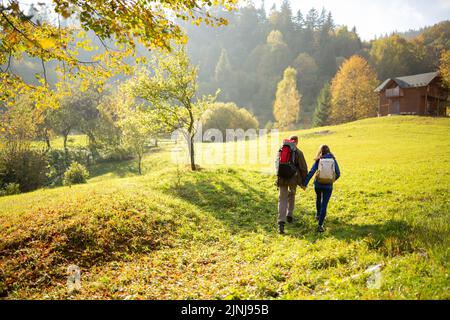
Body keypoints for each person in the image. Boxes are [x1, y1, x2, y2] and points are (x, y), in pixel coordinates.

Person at [301, 145, 340, 233]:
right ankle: (320, 225)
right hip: (328, 186)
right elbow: (338, 173)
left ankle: (318, 215)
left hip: (318, 184)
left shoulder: (319, 160)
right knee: (324, 204)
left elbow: (311, 172)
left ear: (320, 151)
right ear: (329, 151)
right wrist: (331, 180)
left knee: (318, 198)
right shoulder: (333, 160)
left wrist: (304, 184)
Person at [276, 135, 308, 234]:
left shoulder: (281, 149)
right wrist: (303, 182)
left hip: (281, 177)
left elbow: (277, 163)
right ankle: (289, 214)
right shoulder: (298, 152)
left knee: (282, 199)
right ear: (296, 142)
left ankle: (281, 222)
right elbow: (303, 168)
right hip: (293, 179)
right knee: (292, 195)